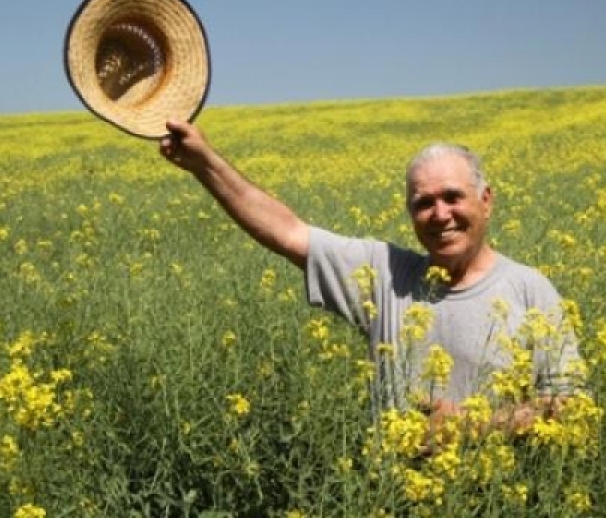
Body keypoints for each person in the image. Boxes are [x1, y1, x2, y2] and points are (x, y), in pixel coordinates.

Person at [159, 119, 583, 436]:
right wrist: (204, 163)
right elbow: (287, 231)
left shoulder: (530, 290)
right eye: (423, 203)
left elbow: (573, 407)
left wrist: (475, 427)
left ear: (486, 201)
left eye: (453, 197)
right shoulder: (387, 275)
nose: (440, 215)